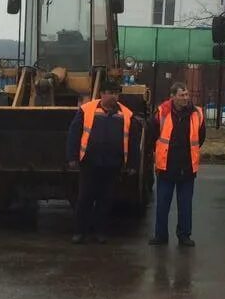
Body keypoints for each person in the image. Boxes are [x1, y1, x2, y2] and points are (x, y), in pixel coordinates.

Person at [65, 78, 135, 244]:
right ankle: (80, 232)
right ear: (102, 94)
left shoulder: (126, 114)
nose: (114, 97)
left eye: (116, 93)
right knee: (85, 198)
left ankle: (101, 232)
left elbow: (132, 141)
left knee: (106, 199)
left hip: (112, 164)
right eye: (111, 93)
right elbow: (74, 134)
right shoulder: (86, 110)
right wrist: (72, 157)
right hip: (90, 163)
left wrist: (132, 164)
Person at [148, 81, 206, 247]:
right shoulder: (161, 113)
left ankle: (184, 236)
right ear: (172, 97)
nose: (185, 98)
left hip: (187, 167)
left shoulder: (197, 114)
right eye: (181, 95)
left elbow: (200, 138)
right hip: (166, 166)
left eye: (186, 94)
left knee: (185, 205)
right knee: (163, 204)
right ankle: (161, 236)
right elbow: (152, 136)